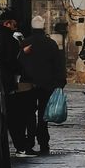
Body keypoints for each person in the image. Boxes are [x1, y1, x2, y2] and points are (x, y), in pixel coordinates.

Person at [18, 14, 66, 155]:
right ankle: (43, 142)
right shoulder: (50, 44)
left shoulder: (25, 43)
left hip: (28, 84)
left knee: (29, 115)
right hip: (47, 85)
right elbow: (58, 64)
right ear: (43, 27)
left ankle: (30, 142)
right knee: (43, 115)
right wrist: (60, 82)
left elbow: (19, 63)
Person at [0, 11, 30, 157]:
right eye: (13, 24)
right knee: (15, 117)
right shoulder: (9, 40)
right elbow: (12, 61)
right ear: (7, 23)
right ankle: (21, 146)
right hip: (8, 83)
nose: (15, 27)